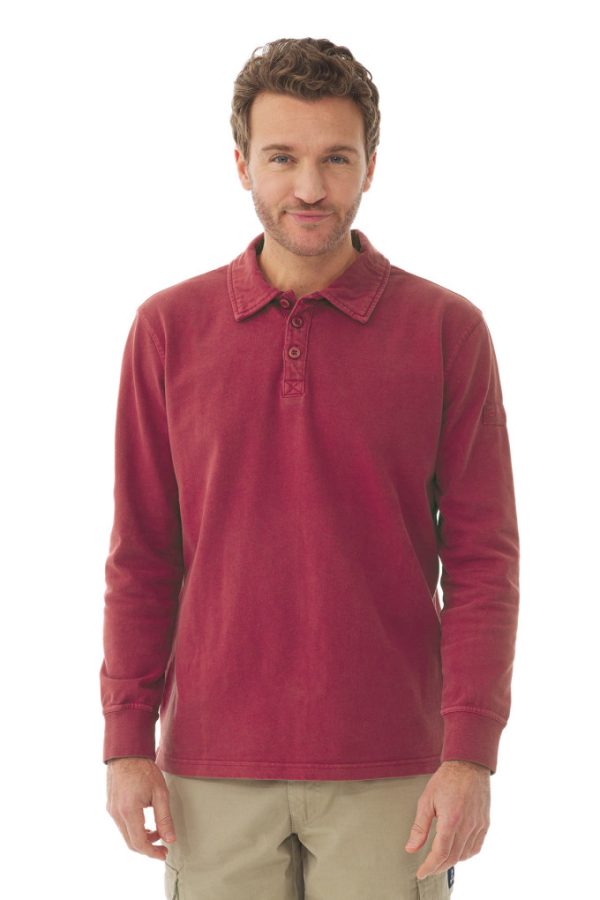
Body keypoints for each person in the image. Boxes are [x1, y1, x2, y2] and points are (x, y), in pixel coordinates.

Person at [100, 37, 520, 900]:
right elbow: (141, 555)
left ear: (371, 164)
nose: (309, 188)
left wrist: (471, 755)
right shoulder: (167, 329)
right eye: (282, 158)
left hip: (395, 766)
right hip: (211, 767)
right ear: (242, 165)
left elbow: (484, 563)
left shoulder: (447, 331)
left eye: (336, 158)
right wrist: (125, 742)